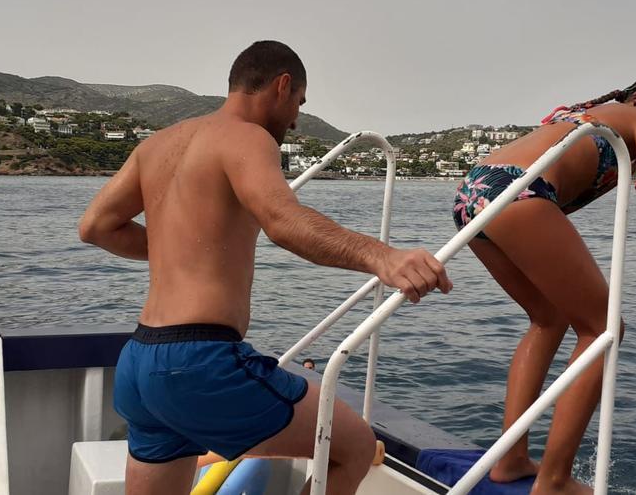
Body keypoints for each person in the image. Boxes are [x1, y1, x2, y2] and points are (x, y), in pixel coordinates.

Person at [78, 40, 452, 495]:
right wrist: (383, 256)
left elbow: (96, 227)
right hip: (201, 362)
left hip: (139, 362)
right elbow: (283, 221)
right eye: (299, 102)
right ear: (282, 85)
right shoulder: (246, 136)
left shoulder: (157, 145)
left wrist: (188, 248)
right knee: (352, 449)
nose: (295, 119)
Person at [451, 76, 636, 494]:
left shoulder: (592, 119)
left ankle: (510, 459)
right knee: (604, 329)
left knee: (548, 319)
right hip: (520, 193)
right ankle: (554, 480)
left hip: (474, 192)